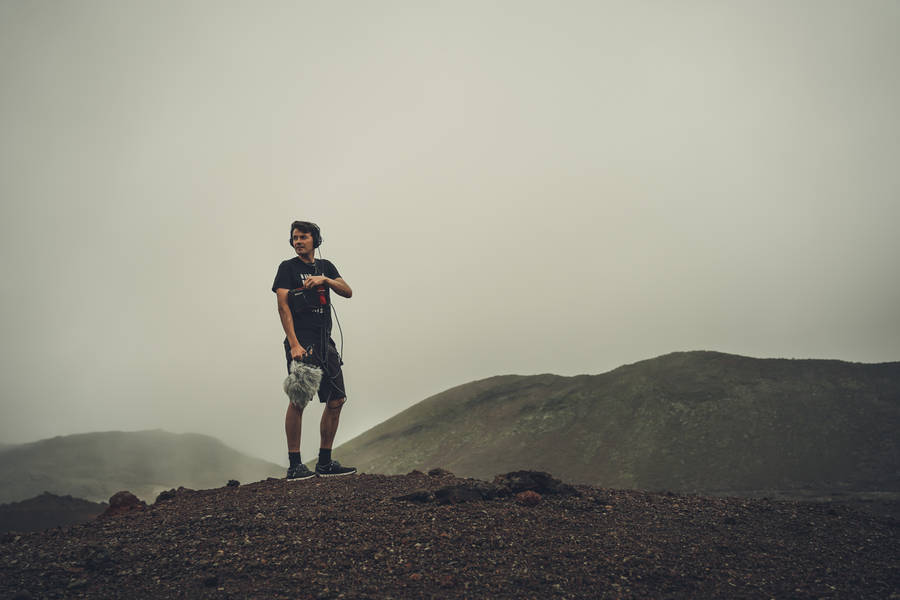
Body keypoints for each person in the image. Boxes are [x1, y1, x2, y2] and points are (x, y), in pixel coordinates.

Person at [272, 220, 357, 480]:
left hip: (325, 342)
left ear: (315, 240)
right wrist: (294, 344)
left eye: (303, 237)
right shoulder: (287, 268)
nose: (298, 241)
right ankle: (295, 464)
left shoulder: (326, 266)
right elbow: (283, 307)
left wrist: (326, 280)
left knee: (337, 399)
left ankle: (324, 462)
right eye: (295, 238)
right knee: (298, 399)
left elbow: (348, 291)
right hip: (302, 343)